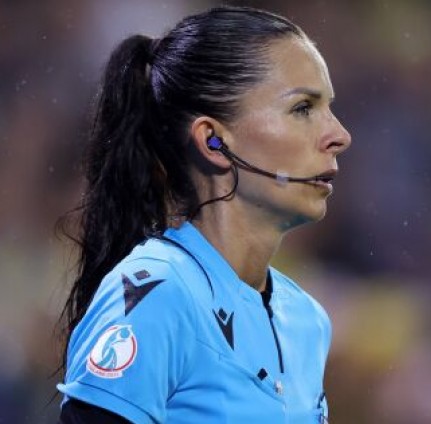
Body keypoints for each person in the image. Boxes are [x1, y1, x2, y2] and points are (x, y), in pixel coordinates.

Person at [55, 6, 351, 423]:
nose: (340, 135)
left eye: (329, 108)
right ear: (213, 141)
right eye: (303, 108)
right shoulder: (159, 295)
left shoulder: (307, 320)